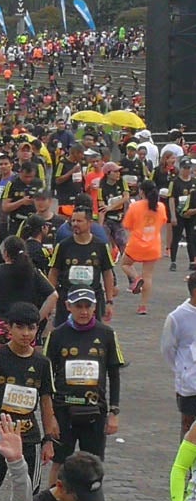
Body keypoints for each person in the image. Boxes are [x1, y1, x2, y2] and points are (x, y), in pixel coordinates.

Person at [0, 302, 56, 501]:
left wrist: (48, 440)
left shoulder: (43, 363)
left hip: (29, 438)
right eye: (20, 327)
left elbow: (46, 404)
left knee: (30, 496)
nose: (26, 334)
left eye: (31, 328)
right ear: (9, 328)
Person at [42, 289, 124, 481]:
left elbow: (114, 374)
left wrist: (114, 413)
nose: (84, 311)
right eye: (79, 306)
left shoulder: (107, 334)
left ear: (95, 307)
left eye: (89, 306)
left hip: (95, 409)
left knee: (93, 463)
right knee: (59, 462)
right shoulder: (57, 336)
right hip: (64, 410)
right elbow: (46, 377)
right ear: (68, 307)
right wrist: (50, 416)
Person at [0, 237, 57, 350]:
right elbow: (53, 295)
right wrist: (38, 318)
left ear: (5, 253)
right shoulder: (33, 272)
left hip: (1, 325)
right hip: (26, 325)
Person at [47, 207, 115, 328]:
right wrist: (51, 300)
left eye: (79, 221)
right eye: (73, 221)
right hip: (67, 298)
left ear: (89, 223)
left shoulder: (100, 246)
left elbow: (107, 273)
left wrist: (109, 301)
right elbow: (53, 272)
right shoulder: (63, 246)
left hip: (92, 298)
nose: (75, 224)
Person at [120, 179, 167, 315]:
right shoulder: (161, 207)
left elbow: (127, 225)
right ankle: (143, 306)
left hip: (137, 243)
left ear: (141, 192)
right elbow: (163, 221)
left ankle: (135, 278)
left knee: (125, 264)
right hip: (153, 244)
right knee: (148, 275)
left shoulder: (135, 207)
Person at [163, 272, 196, 435]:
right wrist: (182, 372)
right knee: (189, 430)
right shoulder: (177, 317)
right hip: (190, 386)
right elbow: (168, 350)